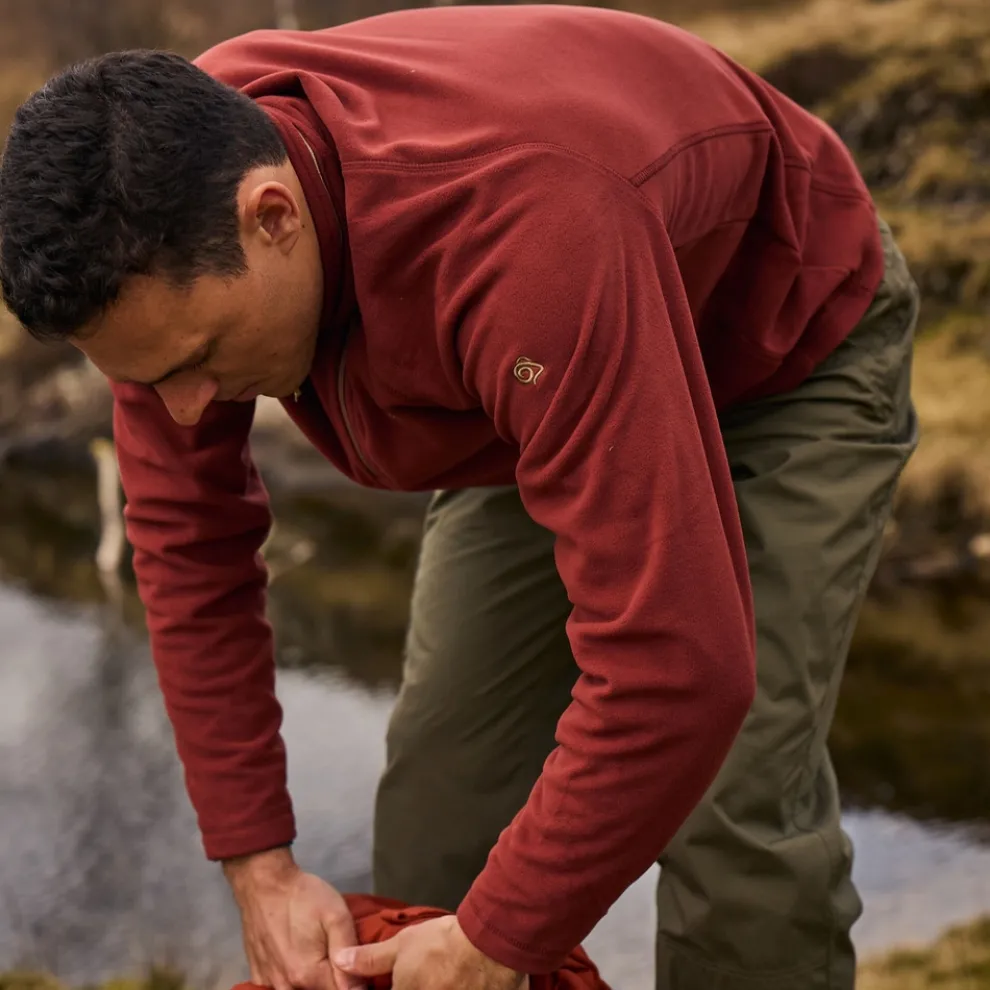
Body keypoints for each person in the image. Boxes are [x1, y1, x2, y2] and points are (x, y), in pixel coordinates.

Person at [0, 5, 920, 990]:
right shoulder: (155, 217)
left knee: (731, 803)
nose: (182, 411)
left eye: (199, 360)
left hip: (784, 349)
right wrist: (257, 864)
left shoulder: (525, 236)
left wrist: (499, 940)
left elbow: (680, 671)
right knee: (442, 811)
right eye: (145, 381)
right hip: (541, 396)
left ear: (273, 217)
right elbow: (190, 547)